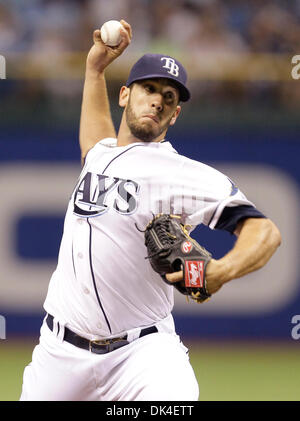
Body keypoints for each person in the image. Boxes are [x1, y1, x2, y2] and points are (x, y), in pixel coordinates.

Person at [20, 20, 281, 401]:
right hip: (59, 354)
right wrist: (94, 70)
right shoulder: (101, 154)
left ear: (174, 116)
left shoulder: (183, 175)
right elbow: (93, 141)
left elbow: (265, 232)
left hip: (141, 355)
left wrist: (221, 272)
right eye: (149, 89)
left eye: (169, 98)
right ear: (124, 95)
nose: (158, 100)